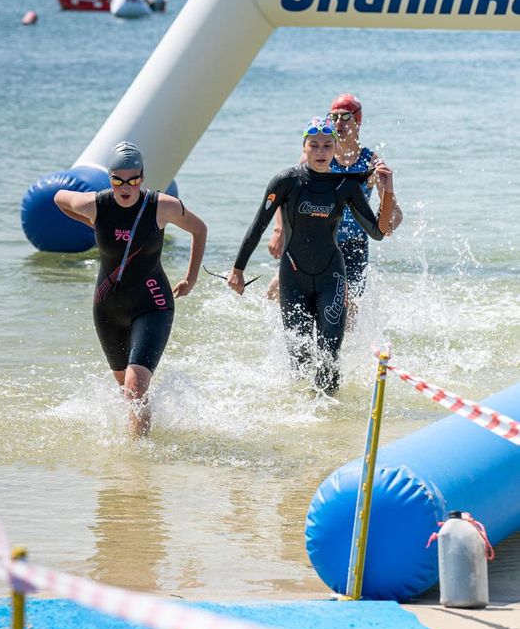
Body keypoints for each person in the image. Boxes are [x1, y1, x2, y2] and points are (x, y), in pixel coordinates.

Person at [227, 118, 395, 395]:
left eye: (327, 146)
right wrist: (238, 269)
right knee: (300, 360)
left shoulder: (346, 185)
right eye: (314, 145)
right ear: (304, 147)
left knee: (329, 357)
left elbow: (377, 232)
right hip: (293, 277)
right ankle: (303, 422)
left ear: (335, 149)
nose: (320, 151)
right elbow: (258, 225)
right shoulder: (286, 181)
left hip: (332, 277)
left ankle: (333, 424)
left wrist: (387, 190)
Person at [54, 141, 207, 438]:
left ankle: (138, 468)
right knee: (128, 392)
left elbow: (199, 230)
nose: (126, 186)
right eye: (118, 179)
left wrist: (191, 278)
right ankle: (137, 452)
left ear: (142, 177)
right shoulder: (97, 205)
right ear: (110, 178)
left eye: (133, 179)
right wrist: (88, 219)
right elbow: (60, 198)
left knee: (135, 391)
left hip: (153, 303)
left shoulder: (162, 206)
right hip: (107, 307)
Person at [267, 94, 402, 324]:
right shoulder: (319, 154)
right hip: (315, 238)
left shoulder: (370, 162)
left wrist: (389, 221)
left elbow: (393, 212)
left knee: (348, 307)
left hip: (353, 245)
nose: (338, 123)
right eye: (334, 117)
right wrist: (280, 230)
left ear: (357, 122)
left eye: (345, 117)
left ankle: (347, 352)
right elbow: (286, 192)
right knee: (275, 290)